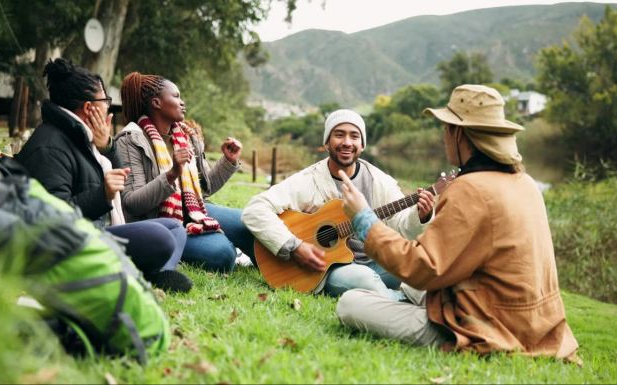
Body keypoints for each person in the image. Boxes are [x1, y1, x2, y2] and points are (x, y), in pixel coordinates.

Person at [335, 85, 580, 362]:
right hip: (535, 325)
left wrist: (363, 217)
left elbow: (419, 267)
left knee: (350, 304)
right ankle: (399, 302)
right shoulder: (526, 184)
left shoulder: (470, 189)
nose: (443, 136)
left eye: (446, 128)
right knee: (411, 290)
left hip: (488, 328)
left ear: (459, 133)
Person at [16, 58, 191, 292]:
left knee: (175, 228)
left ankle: (152, 278)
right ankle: (139, 279)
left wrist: (108, 146)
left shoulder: (83, 138)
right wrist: (102, 194)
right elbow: (52, 219)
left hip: (98, 231)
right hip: (73, 245)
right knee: (161, 238)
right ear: (89, 108)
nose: (108, 106)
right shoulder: (50, 147)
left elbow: (122, 178)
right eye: (105, 100)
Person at [241, 109, 434, 298]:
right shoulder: (309, 179)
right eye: (339, 135)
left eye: (354, 136)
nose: (347, 142)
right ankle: (396, 301)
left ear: (362, 144)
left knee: (418, 264)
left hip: (375, 260)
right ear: (326, 142)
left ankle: (403, 297)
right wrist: (295, 247)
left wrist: (420, 215)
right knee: (364, 279)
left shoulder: (379, 180)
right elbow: (255, 209)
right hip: (330, 268)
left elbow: (401, 227)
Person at [115, 71, 254, 273]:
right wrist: (172, 173)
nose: (182, 102)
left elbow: (204, 190)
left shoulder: (184, 136)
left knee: (247, 223)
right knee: (223, 254)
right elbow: (132, 204)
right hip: (158, 223)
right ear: (156, 103)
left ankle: (284, 272)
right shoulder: (130, 140)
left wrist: (228, 161)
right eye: (176, 96)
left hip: (192, 211)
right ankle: (218, 250)